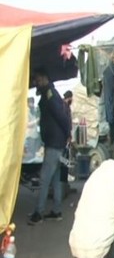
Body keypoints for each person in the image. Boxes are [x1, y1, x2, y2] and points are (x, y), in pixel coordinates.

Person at [28, 68, 71, 225]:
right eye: (35, 81)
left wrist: (68, 133)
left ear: (45, 78)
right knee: (55, 179)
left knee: (44, 178)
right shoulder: (49, 93)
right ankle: (57, 211)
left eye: (38, 80)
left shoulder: (50, 94)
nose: (36, 83)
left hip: (54, 143)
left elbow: (61, 116)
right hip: (55, 142)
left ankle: (38, 213)